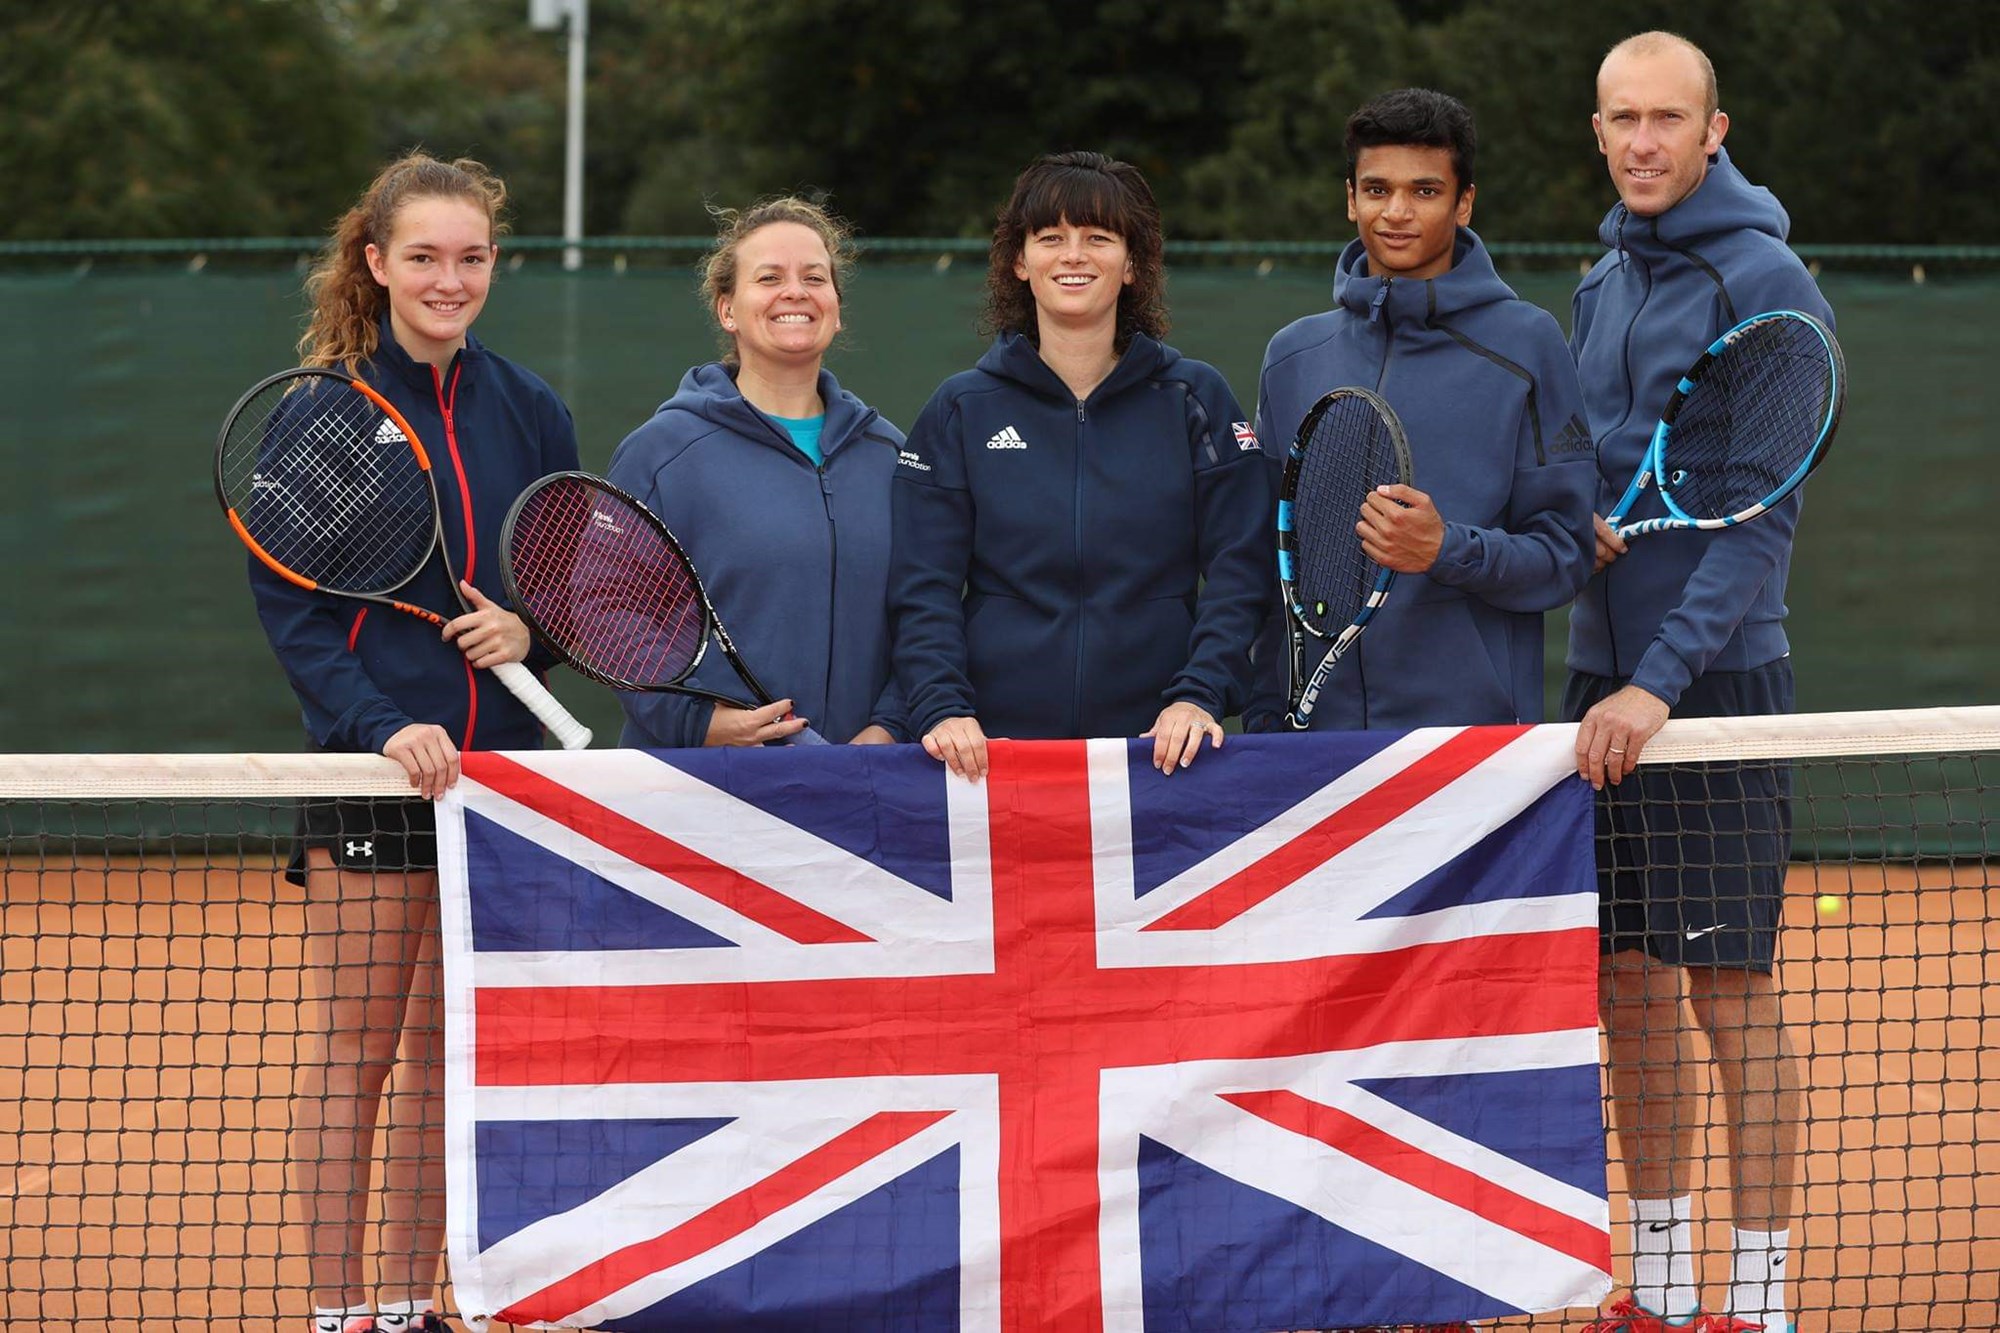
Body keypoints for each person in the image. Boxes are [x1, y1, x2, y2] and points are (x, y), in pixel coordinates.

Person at [248, 153, 582, 1333]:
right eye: (426, 256)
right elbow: (293, 613)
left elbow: (562, 579)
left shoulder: (529, 406)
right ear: (377, 263)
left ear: (495, 262)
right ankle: (341, 1313)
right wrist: (383, 725)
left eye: (472, 256)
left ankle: (403, 1302)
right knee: (357, 1056)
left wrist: (529, 626)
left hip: (498, 790)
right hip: (377, 784)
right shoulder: (323, 416)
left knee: (447, 1065)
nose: (451, 278)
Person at [1567, 32, 1833, 1333]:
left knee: (1731, 992)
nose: (1644, 142)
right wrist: (1577, 524)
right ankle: (1663, 1285)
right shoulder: (1600, 275)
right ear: (1600, 127)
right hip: (1593, 683)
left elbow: (1756, 525)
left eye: (1669, 118)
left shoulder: (1768, 283)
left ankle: (1762, 1300)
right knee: (1626, 979)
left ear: (1716, 127)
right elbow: (1586, 454)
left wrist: (1660, 683)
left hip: (1708, 689)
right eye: (1623, 118)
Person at [890, 151, 1271, 779]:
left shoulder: (1194, 399)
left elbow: (1240, 570)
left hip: (1161, 753)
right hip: (990, 758)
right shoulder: (961, 408)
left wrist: (1198, 693)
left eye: (1098, 237)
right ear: (1020, 262)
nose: (1074, 255)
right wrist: (941, 706)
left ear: (1132, 265)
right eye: (1051, 238)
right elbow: (921, 585)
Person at [1245, 88, 1595, 737]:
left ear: (1465, 202)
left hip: (1470, 752)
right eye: (1377, 190)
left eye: (1426, 192)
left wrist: (1445, 549)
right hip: (1311, 748)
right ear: (1350, 197)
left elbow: (1566, 557)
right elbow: (1268, 560)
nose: (1397, 213)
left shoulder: (1529, 345)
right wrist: (1268, 712)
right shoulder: (1291, 355)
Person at [605, 196, 906, 748]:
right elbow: (610, 607)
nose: (795, 292)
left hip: (864, 785)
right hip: (701, 791)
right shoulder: (660, 452)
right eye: (769, 277)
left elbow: (924, 610)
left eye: (814, 277)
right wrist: (701, 723)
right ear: (727, 310)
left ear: (836, 309)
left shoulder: (890, 455)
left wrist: (891, 726)